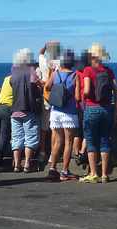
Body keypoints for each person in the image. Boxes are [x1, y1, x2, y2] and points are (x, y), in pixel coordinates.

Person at [79, 43, 117, 184]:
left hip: (92, 108)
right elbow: (116, 90)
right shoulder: (108, 71)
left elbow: (86, 90)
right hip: (107, 109)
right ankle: (104, 175)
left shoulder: (88, 70)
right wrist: (116, 111)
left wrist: (83, 99)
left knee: (91, 142)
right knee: (104, 141)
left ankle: (93, 173)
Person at [44, 50, 80, 181]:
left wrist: (56, 93)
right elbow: (77, 96)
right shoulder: (76, 75)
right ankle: (65, 171)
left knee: (57, 141)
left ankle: (52, 169)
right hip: (69, 112)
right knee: (68, 142)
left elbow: (47, 87)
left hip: (55, 111)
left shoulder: (55, 73)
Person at [8, 48, 43, 173]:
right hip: (29, 109)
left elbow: (12, 83)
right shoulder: (31, 72)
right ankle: (27, 164)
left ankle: (17, 164)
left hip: (15, 110)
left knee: (17, 138)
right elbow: (39, 84)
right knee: (30, 137)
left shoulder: (14, 72)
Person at [0, 74, 15, 170]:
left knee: (0, 135)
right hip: (7, 109)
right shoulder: (15, 79)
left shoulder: (6, 78)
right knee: (4, 136)